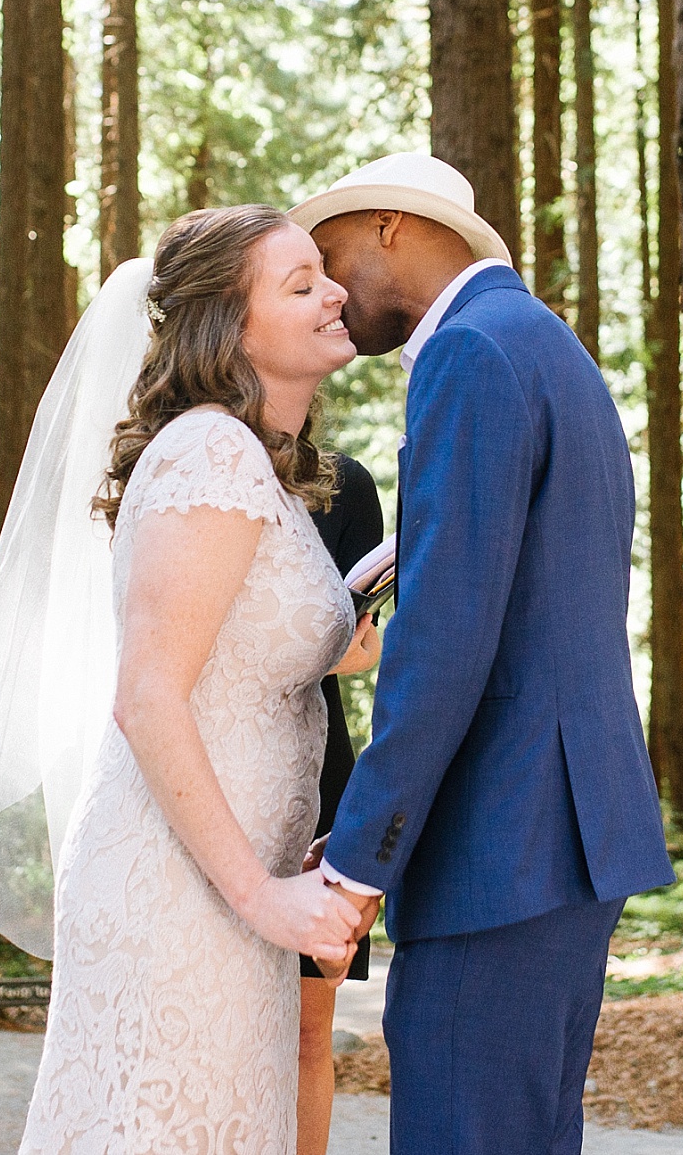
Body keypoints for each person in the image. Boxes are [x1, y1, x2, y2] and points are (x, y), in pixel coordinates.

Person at [0, 204, 374, 1154]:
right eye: (300, 285)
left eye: (325, 273)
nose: (336, 291)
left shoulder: (258, 463)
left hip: (234, 891)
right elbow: (147, 696)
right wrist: (264, 899)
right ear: (227, 326)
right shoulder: (210, 451)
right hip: (185, 897)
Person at [291, 152, 676, 1155]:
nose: (329, 292)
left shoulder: (470, 352)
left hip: (503, 836)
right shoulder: (539, 341)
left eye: (330, 257)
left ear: (389, 226)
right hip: (560, 832)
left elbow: (445, 642)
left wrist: (358, 858)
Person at [297, 453, 385, 1155]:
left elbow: (367, 644)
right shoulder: (181, 461)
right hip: (198, 768)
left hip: (316, 770)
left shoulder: (344, 485)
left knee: (305, 1033)